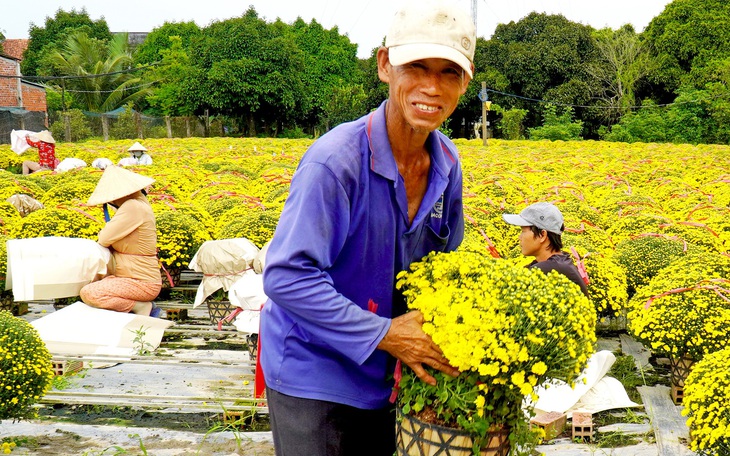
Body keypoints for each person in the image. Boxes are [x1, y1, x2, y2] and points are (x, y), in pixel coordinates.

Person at [259, 0, 475, 454]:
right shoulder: (335, 162)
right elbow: (285, 276)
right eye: (416, 66)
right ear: (385, 66)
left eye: (448, 73)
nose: (431, 87)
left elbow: (444, 268)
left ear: (466, 82)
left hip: (388, 374)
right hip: (314, 374)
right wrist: (386, 333)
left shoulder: (448, 164)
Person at [79, 165, 162, 316]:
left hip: (141, 281)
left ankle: (140, 306)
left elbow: (104, 238)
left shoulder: (133, 206)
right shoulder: (139, 204)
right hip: (130, 277)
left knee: (90, 293)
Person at [502, 202, 590, 296]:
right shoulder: (559, 261)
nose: (520, 237)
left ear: (542, 235)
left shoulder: (550, 269)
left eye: (523, 231)